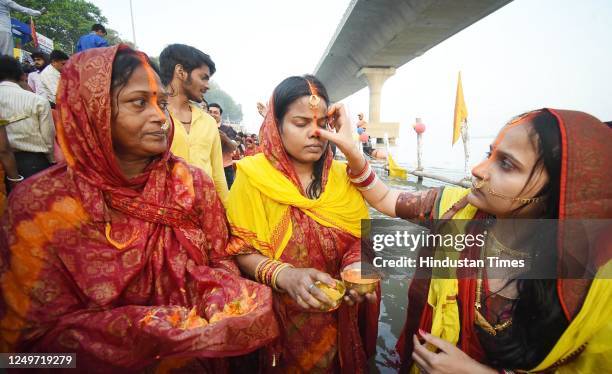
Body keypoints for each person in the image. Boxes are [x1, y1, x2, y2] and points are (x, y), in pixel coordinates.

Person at [0, 45, 278, 372]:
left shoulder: (191, 184)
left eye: (161, 103)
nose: (160, 116)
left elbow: (221, 261)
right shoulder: (41, 205)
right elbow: (26, 348)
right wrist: (148, 329)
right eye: (138, 103)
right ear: (92, 109)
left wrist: (223, 302)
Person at [317, 106, 612, 373]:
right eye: (490, 154)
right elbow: (383, 197)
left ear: (562, 193)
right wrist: (353, 151)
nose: (478, 170)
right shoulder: (457, 207)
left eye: (506, 164)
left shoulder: (596, 287)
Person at [226, 75, 379, 372]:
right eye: (300, 124)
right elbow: (239, 250)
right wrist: (285, 276)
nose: (315, 133)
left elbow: (361, 239)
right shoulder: (253, 176)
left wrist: (357, 267)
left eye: (322, 123)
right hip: (278, 316)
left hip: (335, 314)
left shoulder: (341, 176)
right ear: (276, 125)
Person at [159, 43, 229, 205]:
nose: (207, 85)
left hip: (206, 214)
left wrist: (228, 214)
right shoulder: (154, 118)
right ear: (181, 72)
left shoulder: (208, 122)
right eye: (203, 77)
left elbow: (218, 176)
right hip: (166, 213)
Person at [0, 55, 54, 191]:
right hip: (33, 164)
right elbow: (48, 139)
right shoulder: (38, 101)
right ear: (22, 75)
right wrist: (52, 162)